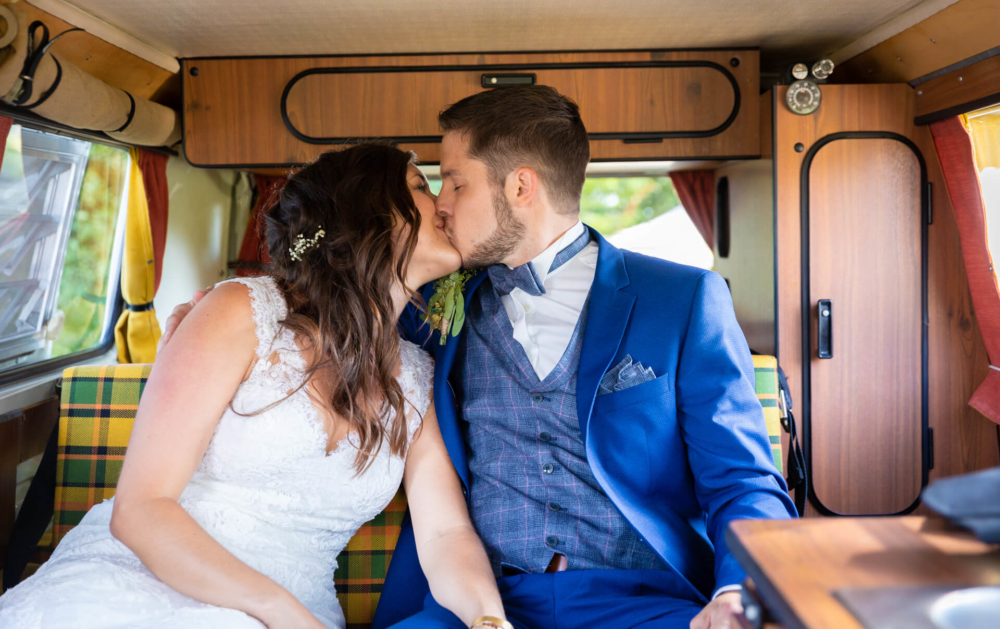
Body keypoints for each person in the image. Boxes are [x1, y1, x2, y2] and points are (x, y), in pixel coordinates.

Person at [161, 86, 797, 629]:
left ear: (520, 186)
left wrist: (736, 592)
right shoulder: (424, 307)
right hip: (473, 600)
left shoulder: (682, 299)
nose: (440, 204)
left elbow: (742, 481)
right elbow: (339, 295)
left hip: (642, 602)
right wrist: (228, 307)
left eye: (456, 183)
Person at [0, 144, 509, 629]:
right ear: (368, 214)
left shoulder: (415, 378)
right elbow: (140, 511)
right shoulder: (240, 311)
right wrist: (279, 611)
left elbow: (446, 534)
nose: (443, 204)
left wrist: (488, 618)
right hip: (144, 579)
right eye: (421, 186)